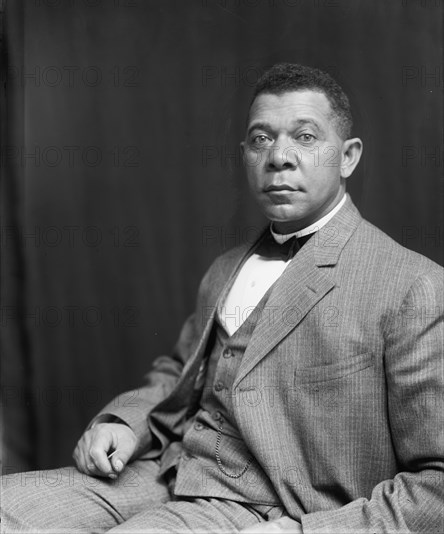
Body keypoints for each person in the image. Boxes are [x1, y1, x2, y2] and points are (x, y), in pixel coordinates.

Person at [1, 63, 443, 533]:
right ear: (245, 154)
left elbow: (436, 486)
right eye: (261, 139)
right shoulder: (226, 268)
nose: (279, 157)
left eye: (306, 137)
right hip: (171, 470)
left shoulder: (411, 286)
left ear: (349, 156)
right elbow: (179, 372)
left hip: (273, 510)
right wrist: (128, 422)